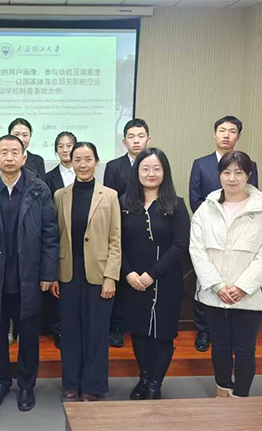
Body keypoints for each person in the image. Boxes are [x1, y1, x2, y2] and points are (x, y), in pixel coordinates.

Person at [0, 135, 59, 412]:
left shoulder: (39, 190)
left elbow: (50, 235)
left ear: (24, 157)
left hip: (28, 275)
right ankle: (0, 382)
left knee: (28, 334)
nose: (9, 157)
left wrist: (49, 273)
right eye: (4, 152)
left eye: (14, 152)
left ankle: (27, 385)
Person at [189, 151, 262, 398]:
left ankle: (241, 397)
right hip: (214, 293)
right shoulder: (205, 210)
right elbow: (197, 250)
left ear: (248, 175)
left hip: (250, 295)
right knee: (219, 347)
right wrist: (217, 285)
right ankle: (222, 393)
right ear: (219, 175)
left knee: (245, 350)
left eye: (238, 172)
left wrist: (242, 286)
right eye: (227, 172)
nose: (232, 178)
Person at [51, 142, 121, 402]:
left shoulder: (110, 195)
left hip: (99, 275)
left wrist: (111, 277)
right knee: (69, 332)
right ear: (71, 162)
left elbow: (116, 239)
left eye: (88, 159)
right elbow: (55, 237)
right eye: (77, 159)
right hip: (68, 274)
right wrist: (53, 274)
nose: (82, 164)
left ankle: (93, 385)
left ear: (96, 162)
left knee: (96, 332)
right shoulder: (60, 195)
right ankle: (71, 383)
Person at [119, 148, 190, 400]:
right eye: (145, 168)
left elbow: (180, 246)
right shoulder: (124, 203)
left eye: (157, 169)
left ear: (165, 172)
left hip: (165, 281)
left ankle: (154, 385)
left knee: (162, 335)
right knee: (138, 333)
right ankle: (144, 377)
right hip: (132, 282)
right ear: (136, 172)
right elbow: (115, 243)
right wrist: (128, 273)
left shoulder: (176, 205)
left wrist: (151, 274)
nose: (151, 173)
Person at [189, 115, 259, 352]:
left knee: (233, 279)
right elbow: (195, 199)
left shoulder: (249, 164)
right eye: (222, 130)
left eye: (231, 131)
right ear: (214, 134)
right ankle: (203, 330)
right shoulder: (201, 164)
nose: (226, 135)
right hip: (210, 231)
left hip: (239, 233)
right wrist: (214, 223)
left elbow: (253, 198)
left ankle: (231, 329)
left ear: (238, 136)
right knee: (206, 279)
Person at [103, 118, 151, 348]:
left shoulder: (155, 163)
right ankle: (118, 327)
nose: (136, 141)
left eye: (140, 136)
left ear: (148, 139)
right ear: (124, 141)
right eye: (131, 137)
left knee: (145, 277)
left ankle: (143, 325)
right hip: (121, 227)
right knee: (122, 278)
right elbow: (109, 199)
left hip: (148, 230)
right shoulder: (114, 166)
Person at [43, 131, 78, 349]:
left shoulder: (85, 173)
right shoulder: (48, 178)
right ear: (56, 150)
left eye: (69, 145)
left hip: (82, 239)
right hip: (58, 236)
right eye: (61, 146)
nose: (65, 150)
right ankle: (58, 330)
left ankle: (76, 328)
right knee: (58, 287)